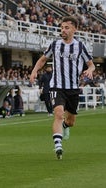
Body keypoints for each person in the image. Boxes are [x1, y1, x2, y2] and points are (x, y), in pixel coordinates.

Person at [30, 16, 95, 160]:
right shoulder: (55, 44)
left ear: (74, 29)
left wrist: (90, 70)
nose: (63, 30)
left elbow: (91, 64)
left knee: (70, 121)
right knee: (59, 114)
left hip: (72, 88)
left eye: (66, 28)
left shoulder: (80, 46)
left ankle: (65, 127)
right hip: (56, 86)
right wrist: (34, 71)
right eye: (62, 27)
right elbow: (42, 59)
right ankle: (58, 145)